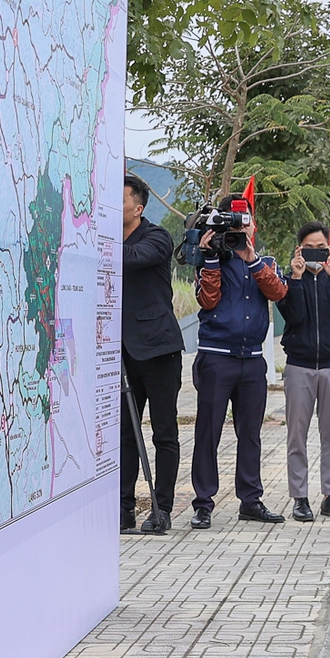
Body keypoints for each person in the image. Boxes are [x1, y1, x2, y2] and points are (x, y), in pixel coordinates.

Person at [188, 194, 289, 529]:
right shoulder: (207, 261)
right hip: (216, 358)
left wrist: (250, 258)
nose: (238, 228)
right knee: (208, 432)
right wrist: (211, 258)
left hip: (253, 361)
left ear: (252, 224)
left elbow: (277, 293)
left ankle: (250, 500)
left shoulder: (266, 262)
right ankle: (203, 503)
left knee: (251, 433)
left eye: (243, 220)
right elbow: (207, 299)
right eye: (233, 221)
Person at [278, 223, 330, 522]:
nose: (317, 252)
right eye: (310, 247)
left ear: (329, 248)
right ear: (299, 249)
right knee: (296, 437)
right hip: (299, 366)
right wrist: (298, 277)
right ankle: (299, 498)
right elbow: (293, 315)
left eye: (322, 247)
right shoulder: (290, 281)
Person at [121, 174, 183, 535]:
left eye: (121, 199)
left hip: (159, 350)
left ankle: (162, 508)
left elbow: (132, 259)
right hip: (123, 353)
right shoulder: (116, 238)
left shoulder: (157, 237)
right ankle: (124, 509)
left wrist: (97, 236)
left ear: (138, 207)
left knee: (164, 433)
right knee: (126, 435)